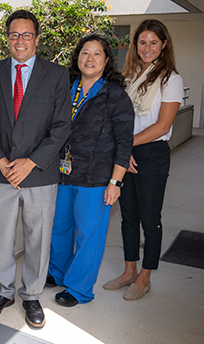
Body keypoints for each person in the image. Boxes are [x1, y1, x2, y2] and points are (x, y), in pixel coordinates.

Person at [0, 9, 70, 329]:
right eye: (14, 34)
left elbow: (62, 127)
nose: (20, 40)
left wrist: (30, 162)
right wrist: (1, 160)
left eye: (26, 34)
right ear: (7, 39)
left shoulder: (57, 75)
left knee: (38, 238)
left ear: (37, 39)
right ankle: (2, 292)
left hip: (40, 173)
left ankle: (31, 295)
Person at [47, 34, 134, 307]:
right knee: (59, 227)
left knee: (89, 234)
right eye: (85, 52)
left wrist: (115, 183)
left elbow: (125, 142)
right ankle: (57, 272)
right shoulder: (65, 88)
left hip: (96, 179)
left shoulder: (115, 96)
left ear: (107, 60)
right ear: (77, 57)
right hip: (62, 173)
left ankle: (79, 288)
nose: (90, 59)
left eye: (97, 54)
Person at [103, 19, 183, 300]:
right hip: (127, 151)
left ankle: (145, 277)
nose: (147, 48)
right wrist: (124, 151)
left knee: (150, 220)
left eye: (153, 42)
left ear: (163, 45)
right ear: (134, 45)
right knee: (128, 217)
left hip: (152, 154)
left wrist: (126, 147)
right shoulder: (128, 77)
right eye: (142, 42)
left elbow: (162, 126)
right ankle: (129, 272)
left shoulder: (171, 80)